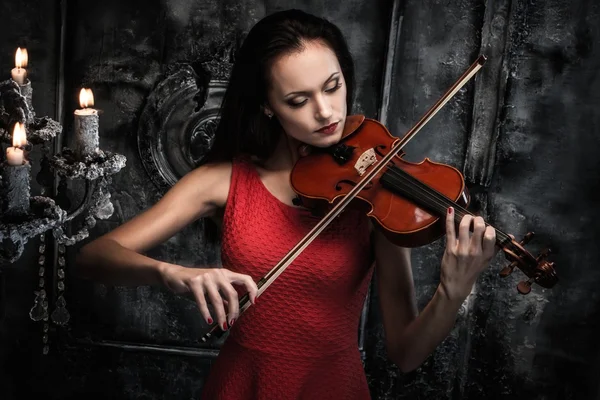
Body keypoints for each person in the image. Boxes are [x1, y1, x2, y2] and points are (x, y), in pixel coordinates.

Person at [76, 9, 498, 400]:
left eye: (333, 86)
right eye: (298, 100)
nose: (326, 111)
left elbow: (405, 353)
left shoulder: (375, 194)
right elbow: (93, 258)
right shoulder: (222, 181)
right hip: (243, 383)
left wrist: (452, 291)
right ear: (267, 106)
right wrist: (170, 274)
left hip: (332, 386)